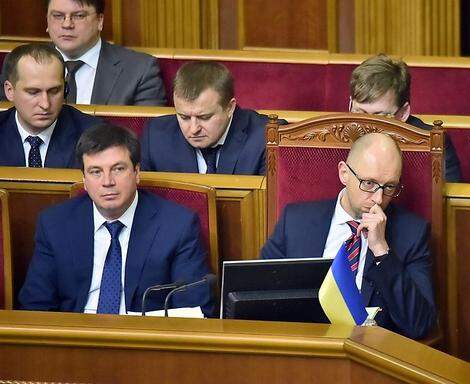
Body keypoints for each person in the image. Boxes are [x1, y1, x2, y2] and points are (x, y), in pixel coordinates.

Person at [19, 123, 214, 316]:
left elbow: (193, 308)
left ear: (137, 173)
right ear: (84, 180)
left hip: (143, 339)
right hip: (74, 338)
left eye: (118, 169)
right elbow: (35, 305)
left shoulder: (177, 225)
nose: (107, 182)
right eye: (96, 172)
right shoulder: (55, 224)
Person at [260, 133, 436, 339]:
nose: (378, 199)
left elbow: (420, 324)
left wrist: (381, 251)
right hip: (302, 349)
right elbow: (259, 296)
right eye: (369, 183)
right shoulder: (296, 222)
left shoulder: (412, 233)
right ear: (344, 173)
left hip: (371, 356)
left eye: (389, 187)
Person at [1, 0, 166, 106]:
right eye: (58, 16)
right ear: (47, 21)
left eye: (78, 16)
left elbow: (145, 137)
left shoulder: (140, 70)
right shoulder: (20, 63)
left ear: (100, 21)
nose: (67, 24)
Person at [141, 61, 269, 175]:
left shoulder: (267, 138)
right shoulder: (156, 136)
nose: (193, 129)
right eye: (184, 117)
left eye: (204, 117)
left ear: (230, 108)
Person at [349, 54, 461, 182]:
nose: (366, 126)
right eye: (359, 113)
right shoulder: (331, 135)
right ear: (351, 103)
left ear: (403, 113)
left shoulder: (433, 143)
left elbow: (445, 198)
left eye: (379, 117)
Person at [0, 43, 100, 168]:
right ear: (10, 91)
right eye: (33, 92)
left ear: (65, 90)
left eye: (54, 91)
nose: (45, 104)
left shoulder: (94, 135)